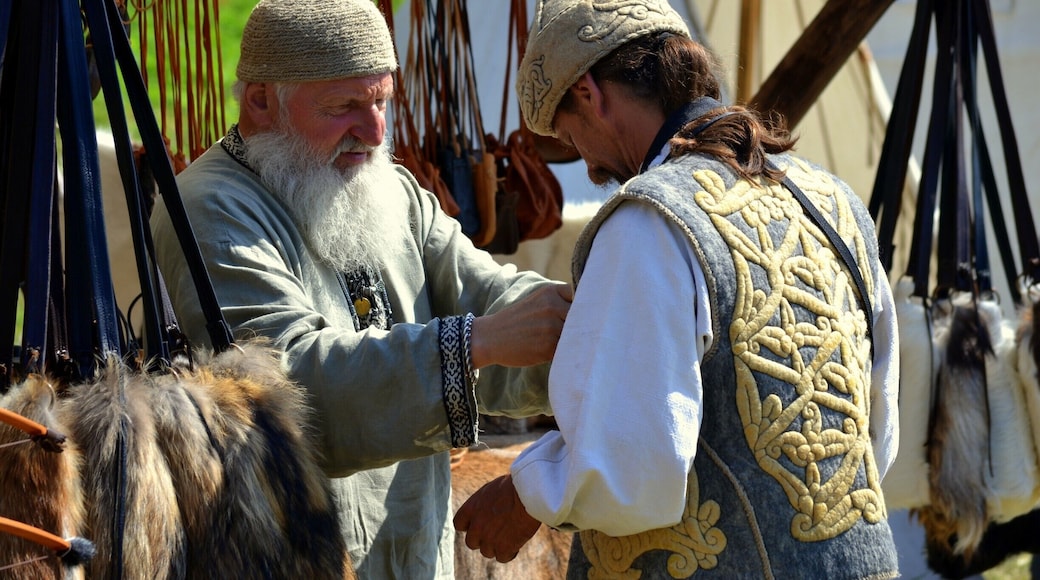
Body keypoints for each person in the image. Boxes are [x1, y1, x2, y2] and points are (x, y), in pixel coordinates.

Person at [454, 1, 901, 578]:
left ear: (589, 92)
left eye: (571, 136)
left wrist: (524, 494)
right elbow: (873, 430)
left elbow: (632, 463)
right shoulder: (835, 202)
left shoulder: (648, 222)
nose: (589, 167)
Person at [148, 0, 573, 577]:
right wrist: (474, 343)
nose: (374, 132)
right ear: (260, 101)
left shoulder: (391, 187)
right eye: (343, 106)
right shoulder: (208, 205)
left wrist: (591, 321)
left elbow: (491, 294)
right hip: (289, 554)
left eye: (380, 102)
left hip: (417, 549)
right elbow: (284, 381)